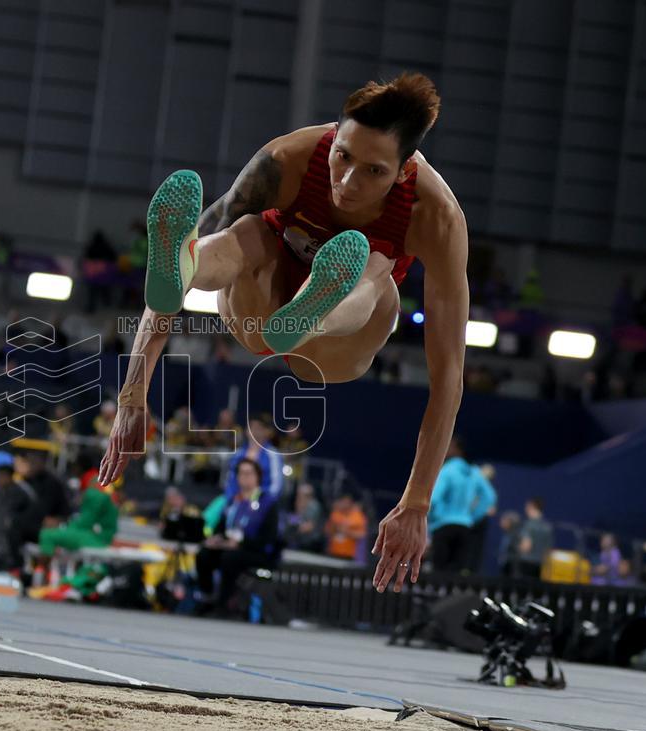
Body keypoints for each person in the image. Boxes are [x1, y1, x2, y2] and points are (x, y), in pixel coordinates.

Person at [98, 73, 468, 596]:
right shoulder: (288, 159)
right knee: (246, 235)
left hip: (339, 348)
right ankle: (191, 264)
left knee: (376, 270)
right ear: (333, 135)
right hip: (259, 314)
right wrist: (132, 398)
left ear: (406, 169)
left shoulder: (437, 216)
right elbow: (167, 297)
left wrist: (416, 502)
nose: (347, 182)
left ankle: (313, 311)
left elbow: (449, 372)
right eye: (342, 157)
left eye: (373, 171)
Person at [195, 458, 280, 614]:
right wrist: (216, 539)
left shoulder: (268, 502)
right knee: (204, 554)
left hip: (256, 551)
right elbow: (221, 527)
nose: (245, 477)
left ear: (258, 477)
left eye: (249, 473)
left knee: (230, 558)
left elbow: (269, 538)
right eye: (241, 473)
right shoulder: (233, 501)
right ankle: (206, 597)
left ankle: (224, 604)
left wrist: (241, 543)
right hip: (230, 547)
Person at [426, 436, 477, 573]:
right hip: (465, 527)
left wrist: (433, 520)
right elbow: (489, 497)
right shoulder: (473, 472)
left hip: (443, 527)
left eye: (449, 446)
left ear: (457, 449)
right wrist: (472, 516)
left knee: (438, 571)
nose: (445, 449)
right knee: (457, 573)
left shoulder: (447, 470)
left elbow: (434, 498)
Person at [223, 416, 283, 503]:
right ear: (246, 430)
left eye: (258, 428)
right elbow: (230, 480)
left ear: (267, 432)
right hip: (237, 501)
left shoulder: (273, 455)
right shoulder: (238, 454)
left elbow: (276, 487)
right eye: (251, 427)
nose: (254, 431)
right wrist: (234, 498)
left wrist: (257, 498)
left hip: (263, 503)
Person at [467, 463, 497, 572]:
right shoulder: (490, 492)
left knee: (472, 548)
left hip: (473, 523)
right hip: (475, 522)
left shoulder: (483, 489)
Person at [324, 491, 368, 561]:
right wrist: (335, 528)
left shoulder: (357, 516)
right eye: (342, 501)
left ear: (351, 503)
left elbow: (362, 534)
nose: (344, 504)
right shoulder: (336, 514)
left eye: (346, 502)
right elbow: (327, 531)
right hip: (333, 552)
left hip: (348, 554)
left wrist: (347, 532)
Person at [516, 497, 552, 580]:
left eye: (527, 506)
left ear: (532, 506)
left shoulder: (528, 525)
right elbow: (548, 550)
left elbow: (526, 546)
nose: (525, 509)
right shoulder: (548, 527)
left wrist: (517, 549)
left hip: (526, 564)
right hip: (541, 565)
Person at [283, 482, 324, 553]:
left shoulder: (313, 506)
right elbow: (294, 521)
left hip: (311, 544)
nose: (298, 496)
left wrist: (293, 532)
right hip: (300, 542)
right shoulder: (298, 503)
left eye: (300, 494)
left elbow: (308, 527)